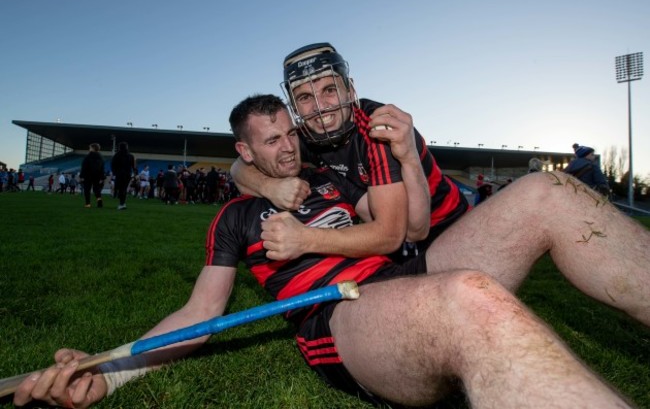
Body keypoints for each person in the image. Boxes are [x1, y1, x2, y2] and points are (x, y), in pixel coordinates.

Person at [14, 95, 649, 409]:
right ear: (245, 152)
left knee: (548, 191)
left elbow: (409, 233)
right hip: (346, 317)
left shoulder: (331, 178)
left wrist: (404, 162)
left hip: (412, 267)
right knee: (468, 303)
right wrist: (117, 370)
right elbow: (199, 315)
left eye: (290, 133)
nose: (288, 147)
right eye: (269, 142)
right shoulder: (236, 216)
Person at [232, 43, 469, 261]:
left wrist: (304, 238)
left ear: (350, 90)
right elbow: (239, 167)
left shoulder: (376, 127)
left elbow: (407, 231)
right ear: (294, 107)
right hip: (397, 232)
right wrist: (269, 187)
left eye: (329, 90)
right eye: (305, 97)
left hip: (449, 222)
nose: (320, 106)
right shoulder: (303, 134)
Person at [110, 142, 137, 210]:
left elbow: (113, 165)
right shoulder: (131, 156)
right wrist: (135, 174)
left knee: (120, 188)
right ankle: (123, 203)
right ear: (127, 147)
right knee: (124, 189)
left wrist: (114, 173)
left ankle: (121, 203)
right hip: (128, 175)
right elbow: (134, 167)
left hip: (119, 174)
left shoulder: (116, 155)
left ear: (119, 147)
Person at [79, 143, 105, 208]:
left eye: (90, 148)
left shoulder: (88, 156)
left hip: (88, 175)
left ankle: (88, 204)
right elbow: (102, 168)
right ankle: (99, 202)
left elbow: (84, 166)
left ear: (93, 148)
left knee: (87, 190)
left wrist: (81, 176)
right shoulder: (101, 157)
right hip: (97, 176)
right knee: (96, 190)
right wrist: (102, 177)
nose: (89, 149)